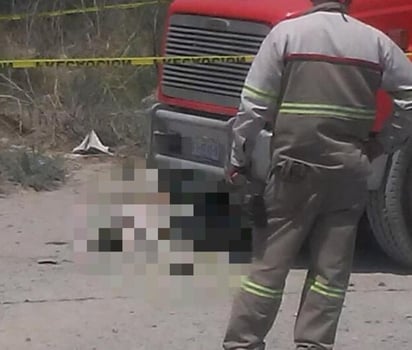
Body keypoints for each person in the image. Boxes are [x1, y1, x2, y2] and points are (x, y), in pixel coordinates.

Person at [223, 0, 412, 349]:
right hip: (348, 174)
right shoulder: (375, 42)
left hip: (293, 172)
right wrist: (382, 143)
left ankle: (243, 343)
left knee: (269, 268)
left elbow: (252, 108)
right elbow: (409, 98)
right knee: (330, 272)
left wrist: (238, 159)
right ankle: (313, 344)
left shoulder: (287, 34)